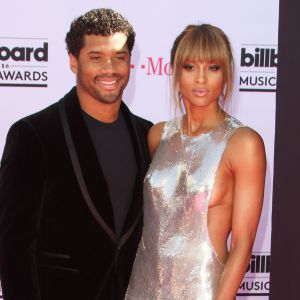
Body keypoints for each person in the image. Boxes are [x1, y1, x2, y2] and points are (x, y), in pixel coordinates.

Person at [0, 8, 152, 300]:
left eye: (119, 57)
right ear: (73, 61)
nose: (110, 69)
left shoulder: (148, 136)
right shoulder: (34, 135)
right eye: (96, 58)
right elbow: (14, 249)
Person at [125, 24, 266, 300]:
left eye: (213, 67)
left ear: (226, 74)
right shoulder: (157, 136)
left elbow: (243, 244)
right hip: (142, 289)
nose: (201, 78)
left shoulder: (243, 144)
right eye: (190, 66)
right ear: (176, 72)